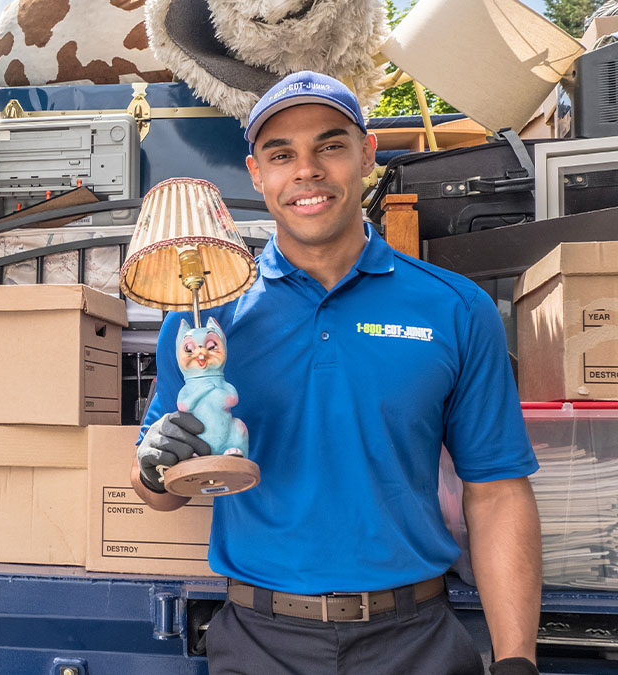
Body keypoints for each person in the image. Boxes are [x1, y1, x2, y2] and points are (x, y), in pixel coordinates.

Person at [129, 71, 542, 675]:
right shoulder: (203, 321)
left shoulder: (455, 308)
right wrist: (157, 467)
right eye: (281, 154)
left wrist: (515, 661)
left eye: (330, 145)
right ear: (256, 174)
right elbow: (157, 494)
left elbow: (498, 491)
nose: (306, 171)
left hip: (416, 641)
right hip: (259, 642)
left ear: (368, 154)